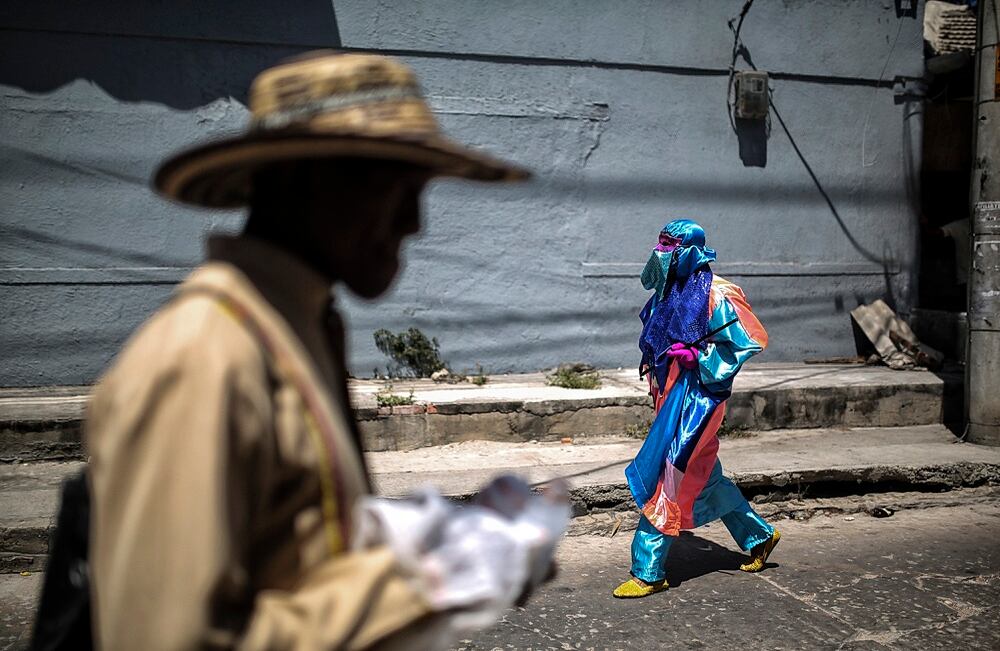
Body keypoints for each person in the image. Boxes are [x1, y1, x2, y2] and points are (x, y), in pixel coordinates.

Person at [80, 51, 567, 649]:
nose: (415, 223)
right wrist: (432, 581)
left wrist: (435, 542)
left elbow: (294, 568)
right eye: (393, 188)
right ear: (301, 181)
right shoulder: (203, 358)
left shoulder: (295, 326)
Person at [612, 219, 780, 599]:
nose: (662, 254)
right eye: (661, 245)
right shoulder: (669, 289)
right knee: (704, 476)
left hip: (699, 397)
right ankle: (759, 537)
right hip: (671, 395)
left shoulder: (717, 293)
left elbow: (748, 337)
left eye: (671, 246)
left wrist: (698, 354)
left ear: (689, 250)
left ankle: (648, 570)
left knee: (668, 474)